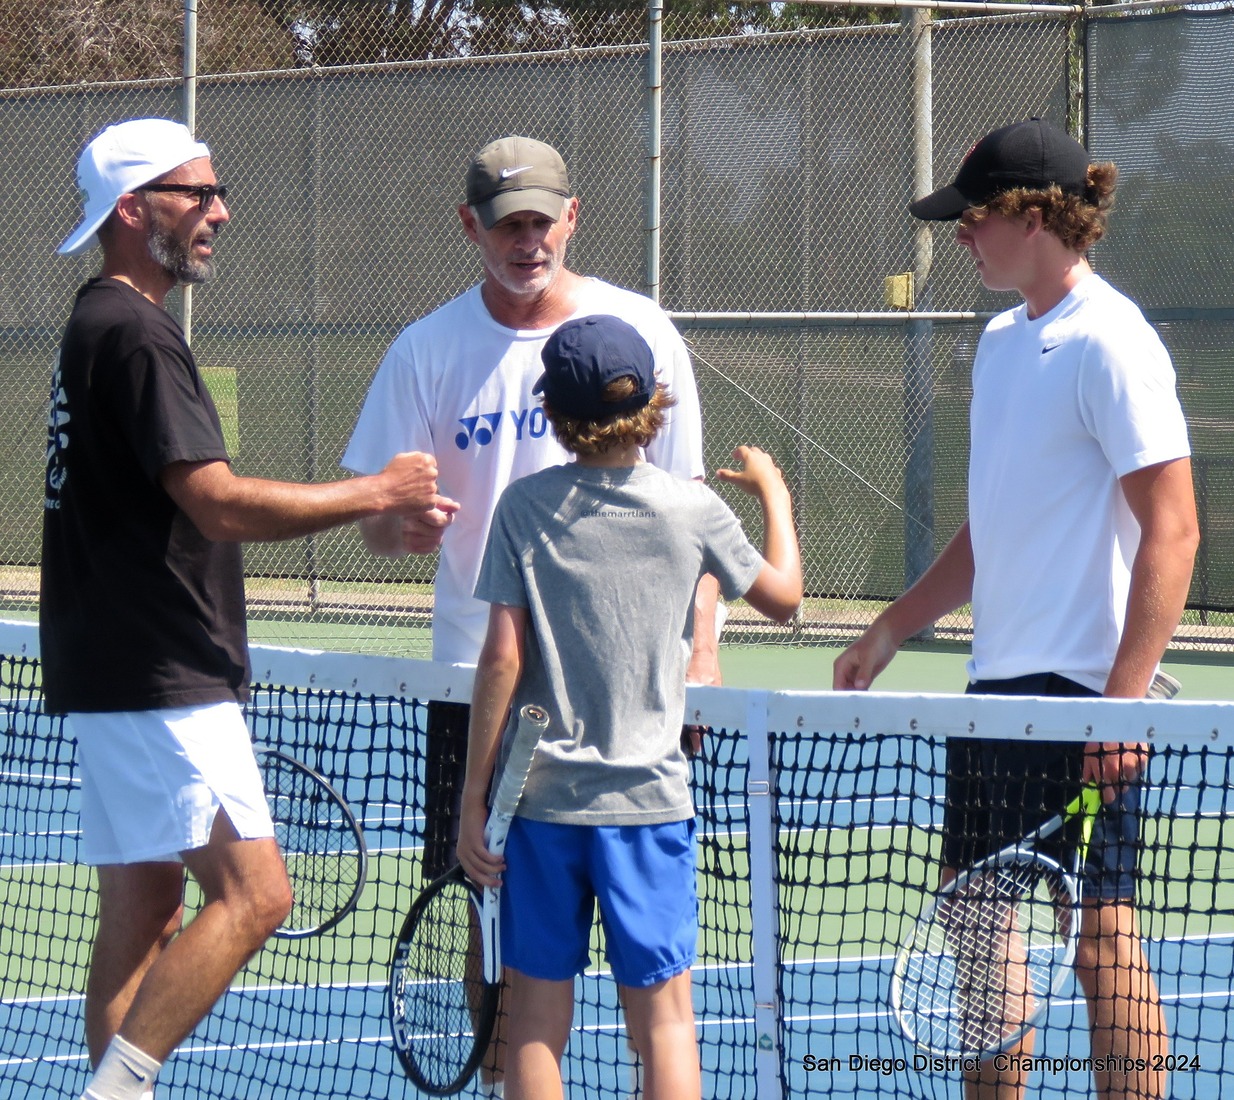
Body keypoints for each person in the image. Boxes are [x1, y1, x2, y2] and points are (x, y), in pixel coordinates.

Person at [41, 117, 455, 1100]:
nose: (219, 211)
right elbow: (216, 500)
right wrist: (377, 492)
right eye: (198, 193)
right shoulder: (138, 333)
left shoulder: (96, 321)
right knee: (257, 893)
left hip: (110, 667)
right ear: (135, 210)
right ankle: (117, 1088)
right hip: (160, 671)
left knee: (144, 911)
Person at [834, 118, 1199, 1100]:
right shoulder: (999, 344)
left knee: (1099, 939)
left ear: (1033, 217)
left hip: (1082, 692)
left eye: (973, 219)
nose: (959, 236)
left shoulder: (1113, 343)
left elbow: (1173, 530)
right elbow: (988, 527)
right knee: (976, 922)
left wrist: (1120, 706)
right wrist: (892, 624)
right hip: (993, 691)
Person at [341, 134, 718, 888]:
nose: (527, 242)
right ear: (469, 225)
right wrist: (397, 527)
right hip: (479, 681)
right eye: (508, 224)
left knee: (635, 919)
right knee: (493, 907)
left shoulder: (644, 333)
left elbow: (696, 518)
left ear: (571, 217)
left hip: (627, 688)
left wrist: (700, 657)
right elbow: (377, 523)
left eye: (541, 221)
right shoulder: (424, 352)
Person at [455, 314, 803, 1100]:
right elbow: (785, 598)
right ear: (653, 403)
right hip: (650, 807)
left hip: (541, 811)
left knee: (537, 1019)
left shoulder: (522, 506)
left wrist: (473, 800)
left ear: (556, 412)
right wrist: (776, 493)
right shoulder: (693, 509)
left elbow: (502, 660)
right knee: (667, 1023)